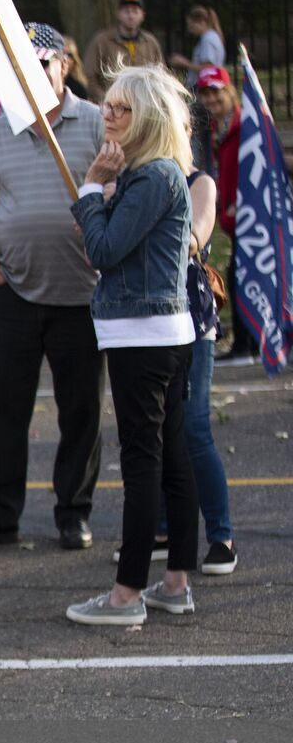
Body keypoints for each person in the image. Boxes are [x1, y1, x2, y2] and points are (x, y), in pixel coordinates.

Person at [0, 23, 106, 553]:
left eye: (42, 65)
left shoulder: (97, 125)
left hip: (84, 297)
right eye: (21, 68)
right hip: (14, 295)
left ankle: (73, 512)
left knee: (81, 409)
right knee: (4, 408)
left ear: (63, 65)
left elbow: (121, 193)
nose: (33, 75)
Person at [65, 66, 199, 628]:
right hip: (159, 333)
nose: (108, 115)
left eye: (121, 108)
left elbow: (102, 250)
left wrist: (93, 186)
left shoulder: (151, 178)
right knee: (169, 456)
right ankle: (174, 584)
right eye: (107, 105)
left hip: (142, 336)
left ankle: (126, 595)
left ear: (147, 117)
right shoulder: (155, 174)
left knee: (144, 462)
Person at [144, 168, 238, 576]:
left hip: (191, 317)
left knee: (194, 426)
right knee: (156, 426)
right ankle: (163, 530)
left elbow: (192, 240)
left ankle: (221, 536)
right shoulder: (133, 174)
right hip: (145, 318)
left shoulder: (199, 181)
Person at [194, 65, 257, 366]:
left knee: (239, 279)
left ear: (228, 90)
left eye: (216, 92)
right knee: (239, 278)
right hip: (233, 214)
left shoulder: (243, 124)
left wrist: (238, 201)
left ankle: (246, 345)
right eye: (205, 94)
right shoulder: (218, 127)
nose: (211, 100)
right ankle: (248, 344)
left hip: (248, 213)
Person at [83, 0, 163, 97]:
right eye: (126, 11)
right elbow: (89, 75)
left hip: (144, 105)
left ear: (142, 15)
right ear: (118, 13)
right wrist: (105, 100)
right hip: (112, 106)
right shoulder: (102, 41)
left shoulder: (150, 42)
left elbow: (161, 74)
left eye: (135, 11)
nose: (131, 15)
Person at [168, 6, 226, 91]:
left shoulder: (208, 39)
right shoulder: (212, 37)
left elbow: (208, 68)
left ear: (201, 22)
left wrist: (184, 63)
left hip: (204, 87)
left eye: (191, 26)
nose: (190, 30)